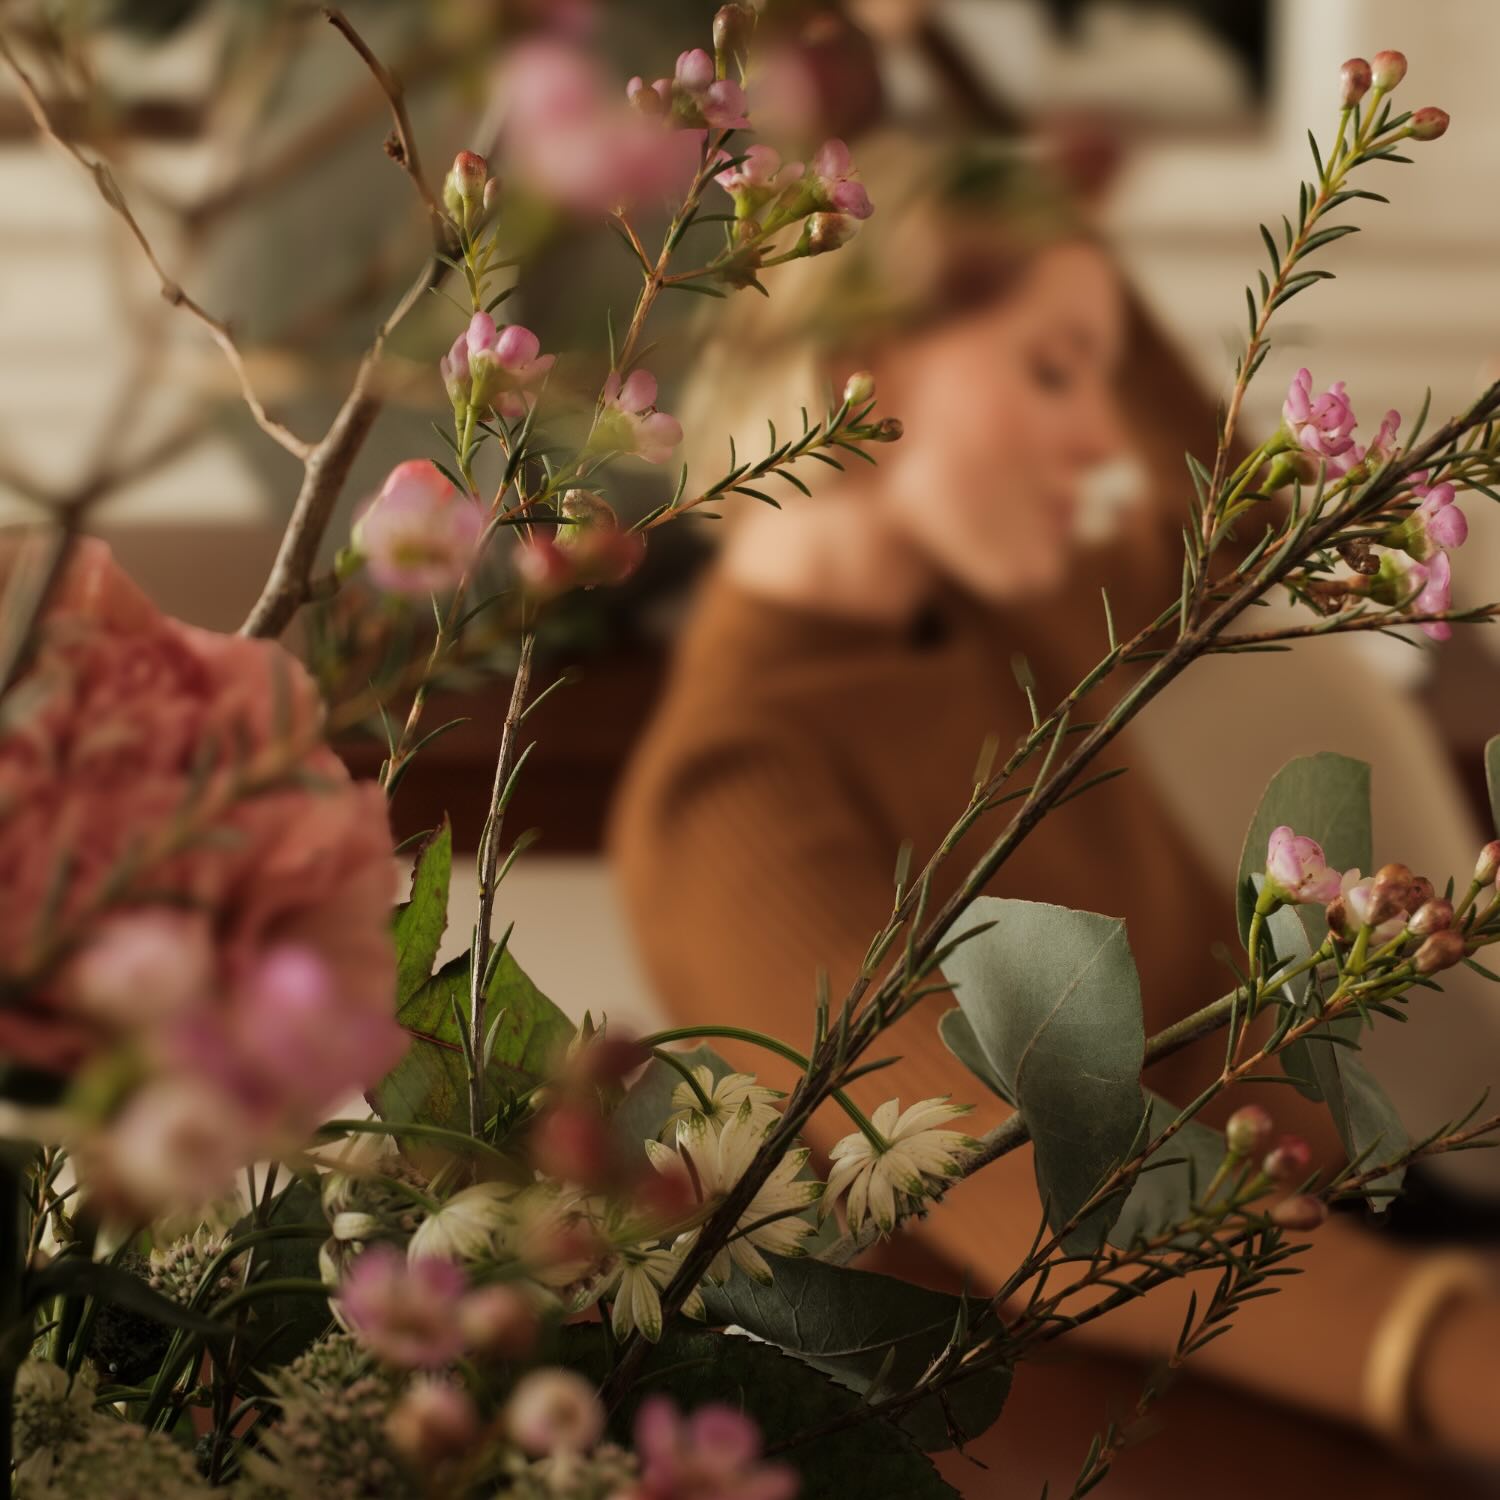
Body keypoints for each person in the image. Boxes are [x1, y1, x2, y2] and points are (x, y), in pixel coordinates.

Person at [609, 134, 1500, 1496]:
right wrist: (1451, 1355)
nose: (1101, 439)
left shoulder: (987, 602)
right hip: (1190, 1375)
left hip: (1365, 1229)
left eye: (1092, 367)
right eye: (1046, 371)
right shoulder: (734, 792)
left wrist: (1033, 213)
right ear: (878, 369)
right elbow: (1052, 1186)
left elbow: (1244, 516)